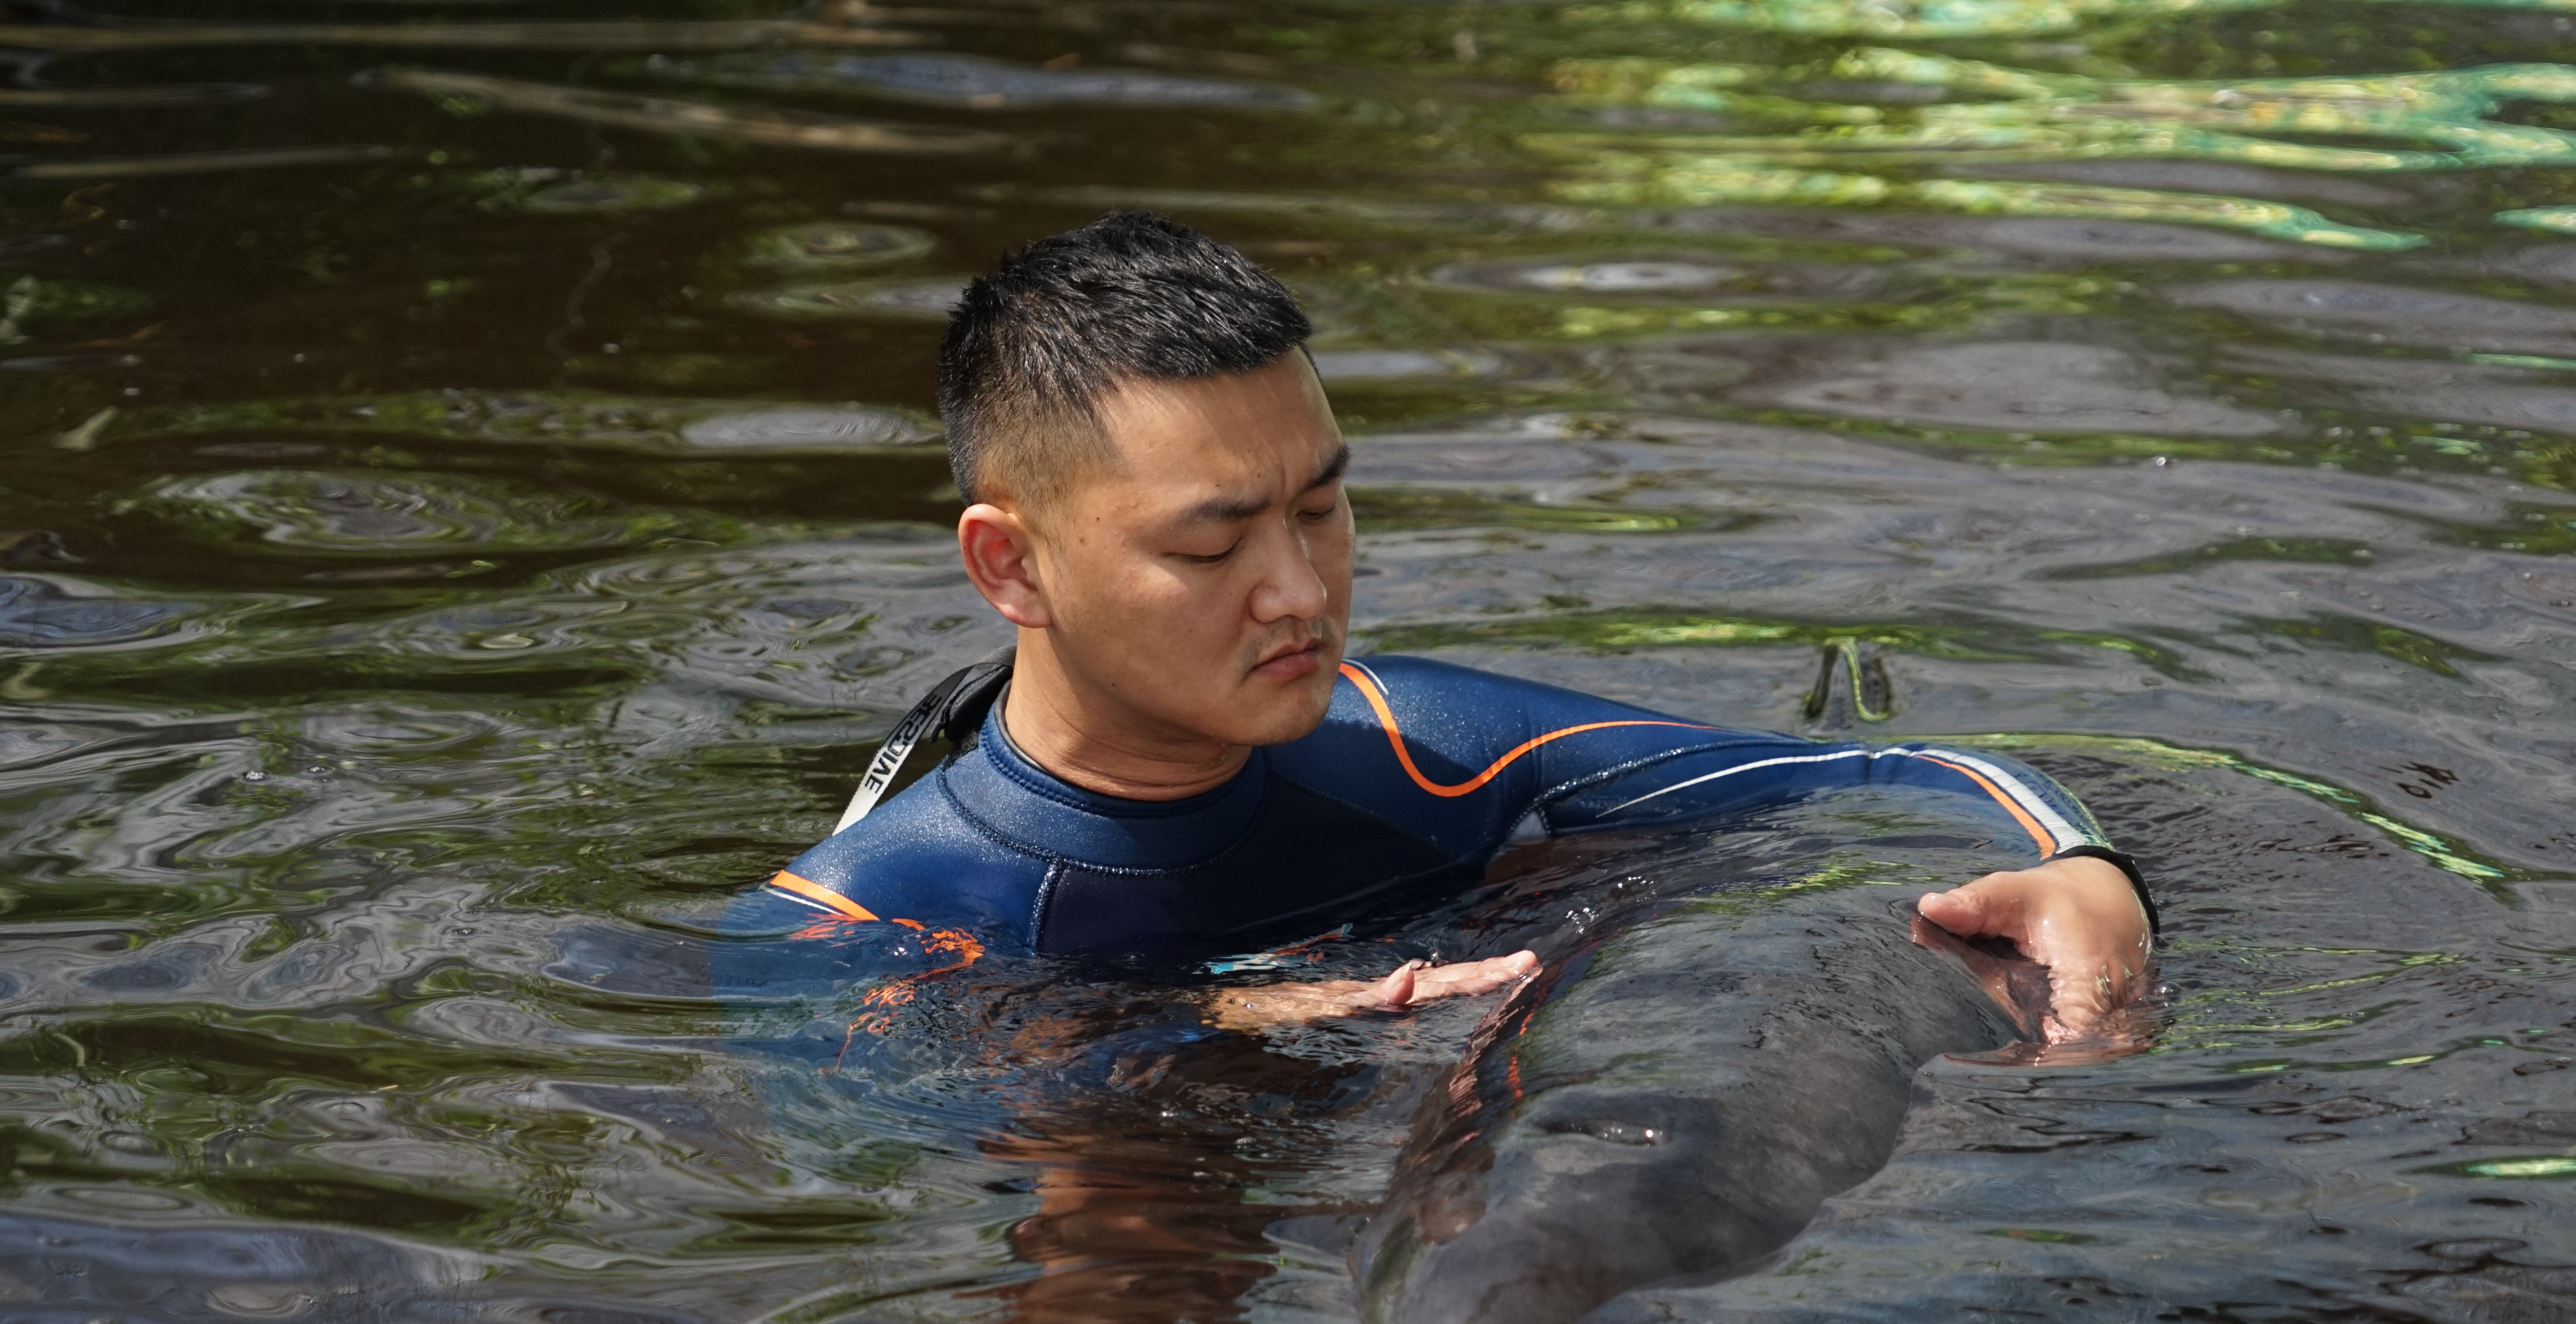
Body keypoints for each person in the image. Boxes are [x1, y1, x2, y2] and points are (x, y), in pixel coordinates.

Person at [730, 212, 2155, 1041]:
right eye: (1211, 543)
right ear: (1012, 571)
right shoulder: (854, 920)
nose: (1299, 592)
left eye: (1322, 513)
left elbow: (1885, 780)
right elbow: (857, 1154)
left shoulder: (1431, 749)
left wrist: (2084, 868)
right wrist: (1219, 1027)